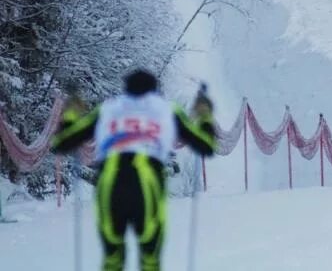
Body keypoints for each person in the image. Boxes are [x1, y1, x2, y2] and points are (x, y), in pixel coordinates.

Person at [50, 70, 216, 271]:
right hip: (147, 184)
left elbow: (62, 143)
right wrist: (205, 115)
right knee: (150, 260)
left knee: (112, 260)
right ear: (156, 91)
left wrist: (71, 114)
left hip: (111, 183)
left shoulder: (108, 109)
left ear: (125, 90)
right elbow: (206, 146)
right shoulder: (168, 109)